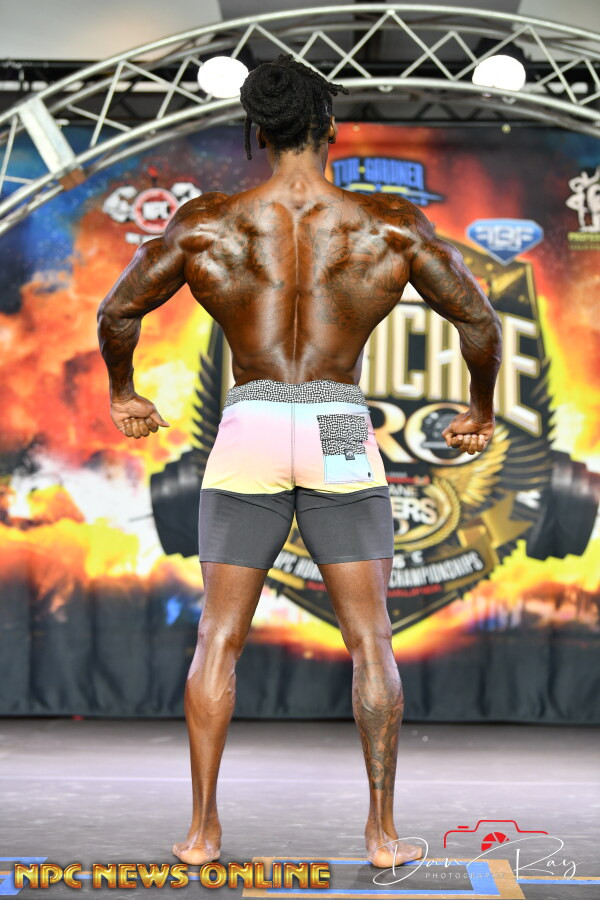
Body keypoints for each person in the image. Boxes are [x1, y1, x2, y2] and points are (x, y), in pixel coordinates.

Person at [97, 54, 502, 869]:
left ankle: (202, 832)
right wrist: (481, 408)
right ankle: (382, 835)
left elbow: (117, 312)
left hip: (250, 424)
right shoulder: (386, 223)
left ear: (258, 130)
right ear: (330, 128)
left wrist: (124, 392)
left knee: (218, 638)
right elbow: (478, 322)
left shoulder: (209, 224)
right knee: (371, 639)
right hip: (338, 425)